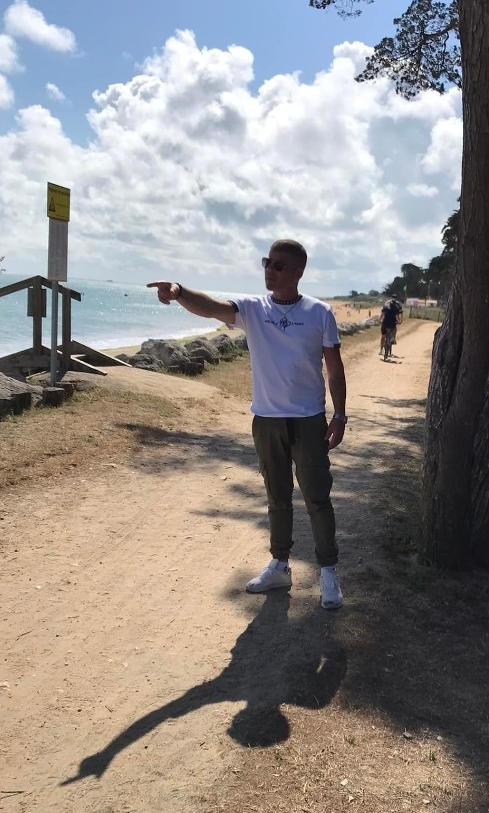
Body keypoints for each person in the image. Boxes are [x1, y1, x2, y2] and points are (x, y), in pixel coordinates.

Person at [148, 239, 347, 609]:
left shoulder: (320, 313)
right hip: (267, 420)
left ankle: (328, 572)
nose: (270, 270)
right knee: (277, 497)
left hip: (308, 421)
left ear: (298, 272)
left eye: (279, 265)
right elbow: (211, 308)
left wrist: (339, 415)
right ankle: (280, 565)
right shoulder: (253, 308)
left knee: (317, 497)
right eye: (267, 262)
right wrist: (179, 291)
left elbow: (334, 370)